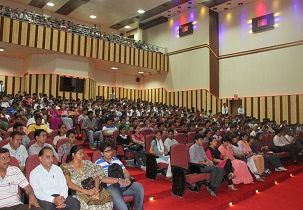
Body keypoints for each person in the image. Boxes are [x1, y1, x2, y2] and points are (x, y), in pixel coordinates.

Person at [60, 145, 115, 210]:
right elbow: (69, 184)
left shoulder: (87, 163)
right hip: (79, 192)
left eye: (82, 153)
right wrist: (86, 191)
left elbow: (96, 176)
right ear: (73, 154)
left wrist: (96, 189)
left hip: (94, 190)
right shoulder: (65, 167)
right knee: (91, 207)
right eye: (80, 153)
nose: (82, 155)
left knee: (107, 203)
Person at [96, 141, 144, 210]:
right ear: (102, 153)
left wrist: (127, 178)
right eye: (107, 151)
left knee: (138, 186)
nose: (110, 153)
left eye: (110, 150)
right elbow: (102, 178)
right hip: (110, 187)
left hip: (122, 185)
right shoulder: (98, 163)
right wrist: (118, 180)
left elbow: (126, 172)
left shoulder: (116, 160)